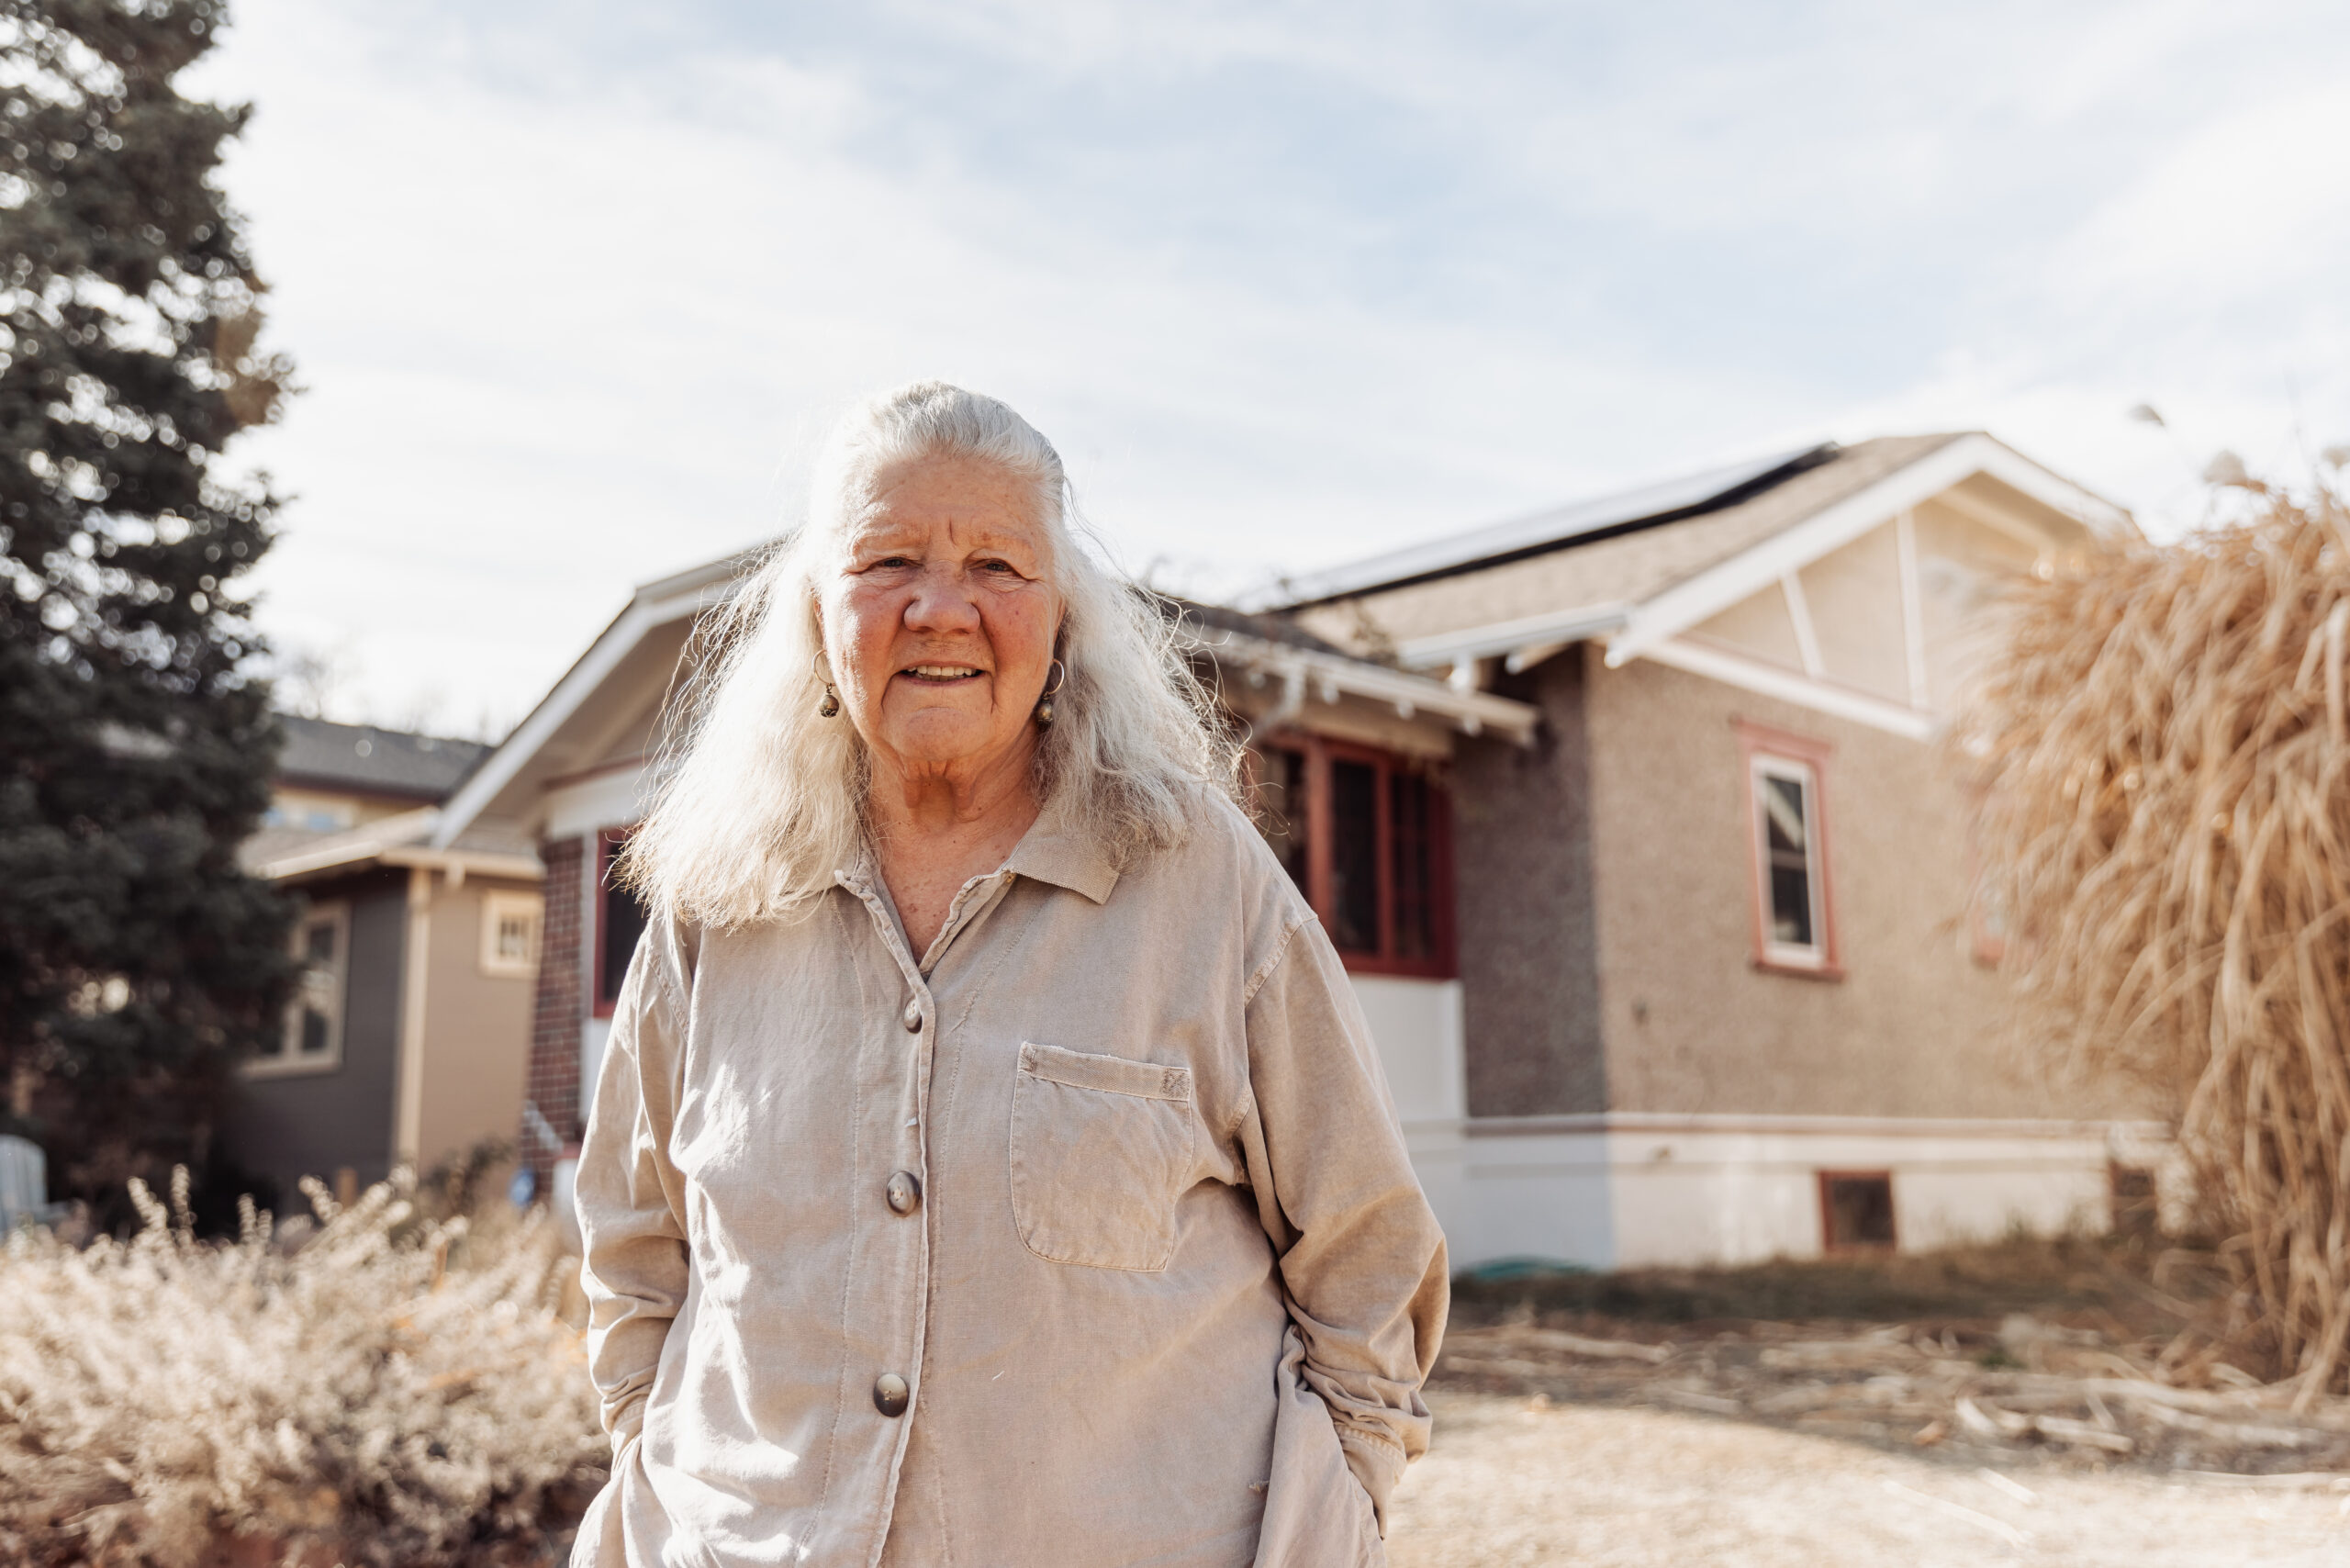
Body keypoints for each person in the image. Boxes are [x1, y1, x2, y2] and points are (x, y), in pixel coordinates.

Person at [572, 382, 1447, 1568]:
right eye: (888, 562)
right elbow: (632, 1247)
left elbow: (1368, 1246)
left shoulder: (1200, 881)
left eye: (997, 564)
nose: (942, 609)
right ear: (817, 615)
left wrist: (1337, 1510)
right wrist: (661, 1471)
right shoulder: (714, 902)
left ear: (1064, 618)